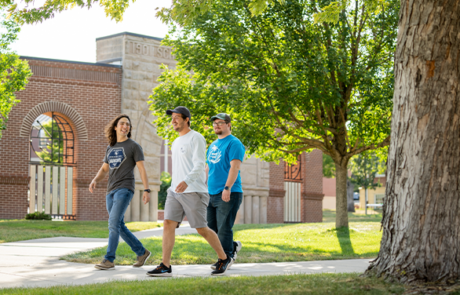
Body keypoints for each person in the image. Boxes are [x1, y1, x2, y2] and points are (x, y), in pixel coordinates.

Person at [146, 106, 232, 277]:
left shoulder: (196, 138)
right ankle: (165, 265)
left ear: (187, 119)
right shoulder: (176, 141)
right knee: (168, 223)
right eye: (172, 118)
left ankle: (224, 258)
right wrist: (176, 184)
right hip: (175, 190)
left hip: (194, 190)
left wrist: (187, 181)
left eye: (177, 117)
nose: (173, 120)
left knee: (201, 228)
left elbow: (200, 164)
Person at [89, 114, 151, 270]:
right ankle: (141, 252)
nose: (125, 126)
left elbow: (142, 169)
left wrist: (147, 189)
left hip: (125, 188)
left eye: (128, 124)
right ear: (115, 127)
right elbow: (104, 169)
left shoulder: (133, 146)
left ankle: (109, 259)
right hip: (110, 190)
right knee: (119, 225)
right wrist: (95, 180)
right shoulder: (111, 147)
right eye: (122, 123)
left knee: (113, 223)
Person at [206, 113, 245, 270]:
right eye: (214, 123)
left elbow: (235, 167)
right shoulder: (213, 145)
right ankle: (232, 247)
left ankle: (226, 258)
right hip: (211, 192)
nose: (216, 125)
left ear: (229, 125)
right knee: (211, 228)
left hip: (229, 191)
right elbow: (208, 167)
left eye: (220, 123)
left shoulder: (234, 143)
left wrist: (227, 188)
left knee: (223, 227)